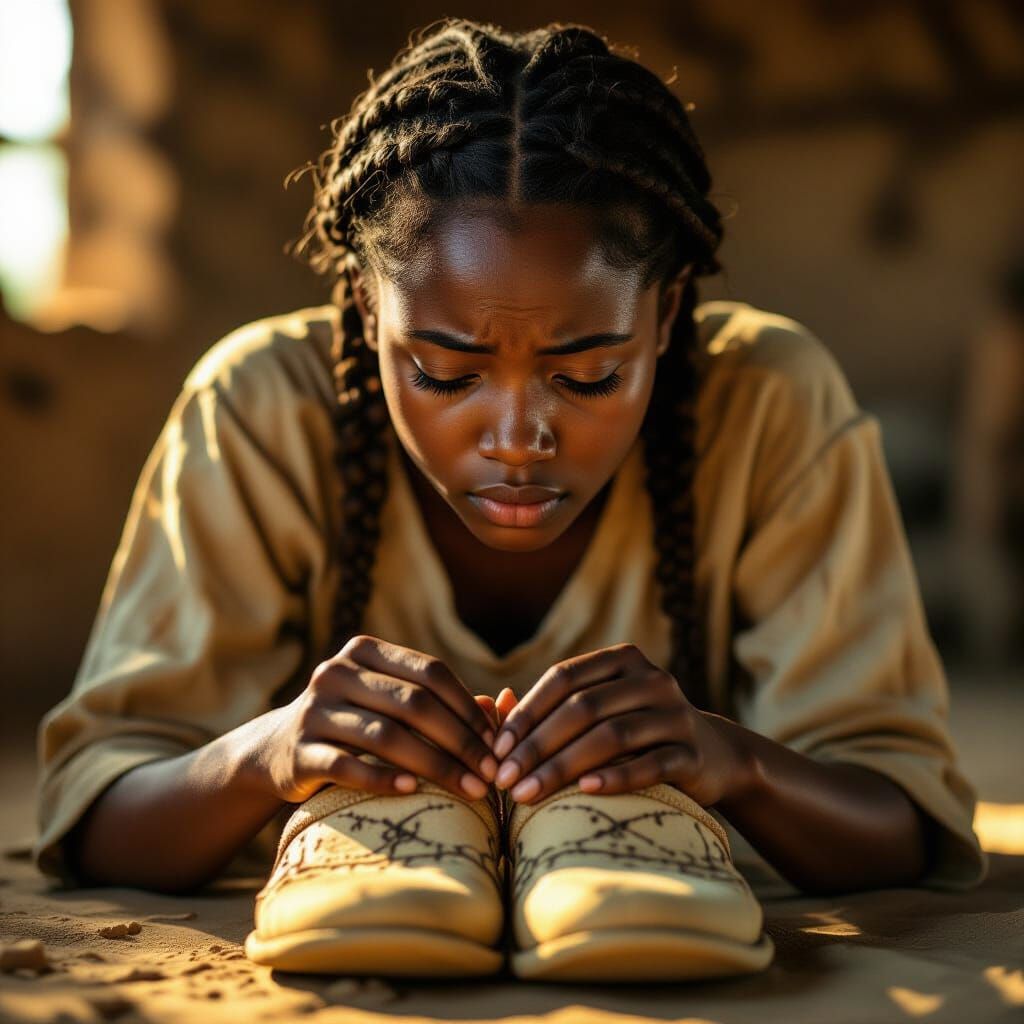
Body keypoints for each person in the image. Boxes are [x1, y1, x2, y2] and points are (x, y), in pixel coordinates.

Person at [35, 17, 985, 901]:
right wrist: (270, 754)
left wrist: (729, 760)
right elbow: (96, 815)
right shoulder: (261, 413)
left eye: (591, 374)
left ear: (664, 314)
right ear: (369, 312)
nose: (518, 433)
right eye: (447, 374)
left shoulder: (769, 404)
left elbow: (903, 821)